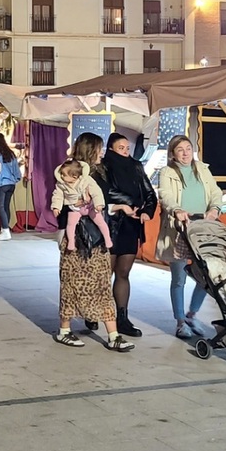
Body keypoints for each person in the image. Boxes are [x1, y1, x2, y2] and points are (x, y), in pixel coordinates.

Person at [54, 132, 135, 352]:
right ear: (90, 150)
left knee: (101, 284)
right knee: (71, 284)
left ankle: (113, 335)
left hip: (97, 240)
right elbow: (59, 205)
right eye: (99, 148)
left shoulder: (100, 172)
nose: (102, 152)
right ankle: (64, 330)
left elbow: (104, 202)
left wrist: (116, 206)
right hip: (77, 239)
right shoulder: (68, 173)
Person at [156, 134, 223, 339]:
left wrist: (215, 209)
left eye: (188, 148)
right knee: (179, 278)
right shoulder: (167, 172)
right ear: (173, 154)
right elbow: (165, 195)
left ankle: (192, 314)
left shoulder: (202, 168)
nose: (185, 153)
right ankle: (180, 321)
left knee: (206, 274)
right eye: (180, 150)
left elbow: (215, 192)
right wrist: (176, 209)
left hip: (203, 227)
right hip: (179, 229)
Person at [103, 132, 158, 337]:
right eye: (121, 148)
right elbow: (105, 191)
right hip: (110, 225)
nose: (125, 152)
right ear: (111, 149)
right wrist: (128, 202)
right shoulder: (104, 167)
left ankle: (122, 317)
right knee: (104, 272)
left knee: (123, 272)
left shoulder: (136, 166)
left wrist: (146, 211)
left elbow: (150, 192)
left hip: (131, 225)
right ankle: (94, 312)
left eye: (127, 148)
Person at [51, 159, 113, 252]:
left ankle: (107, 239)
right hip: (75, 208)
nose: (62, 177)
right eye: (62, 174)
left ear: (75, 176)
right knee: (71, 224)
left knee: (100, 221)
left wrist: (99, 204)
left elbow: (96, 192)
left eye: (64, 175)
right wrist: (56, 207)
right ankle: (71, 242)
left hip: (90, 206)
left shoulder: (87, 180)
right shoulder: (61, 184)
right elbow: (57, 196)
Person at [0, 132, 21, 241]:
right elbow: (16, 170)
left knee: (0, 207)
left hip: (1, 184)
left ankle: (5, 231)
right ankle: (5, 229)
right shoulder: (11, 153)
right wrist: (16, 179)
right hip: (11, 184)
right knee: (6, 206)